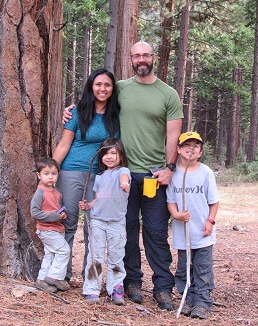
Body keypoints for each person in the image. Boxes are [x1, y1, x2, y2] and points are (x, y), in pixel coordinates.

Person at [63, 41, 183, 310]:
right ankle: (131, 283)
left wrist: (170, 168)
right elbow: (95, 94)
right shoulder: (121, 88)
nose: (141, 59)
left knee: (155, 232)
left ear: (153, 57)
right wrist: (70, 110)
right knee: (125, 231)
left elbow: (174, 134)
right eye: (136, 55)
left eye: (145, 55)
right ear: (130, 59)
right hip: (120, 176)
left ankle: (163, 287)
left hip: (154, 175)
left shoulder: (168, 94)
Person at [53, 68, 120, 282]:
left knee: (94, 227)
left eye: (107, 85)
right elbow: (64, 144)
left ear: (112, 89)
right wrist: (52, 172)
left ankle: (90, 279)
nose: (102, 89)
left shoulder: (117, 114)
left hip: (101, 176)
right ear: (91, 86)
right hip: (72, 171)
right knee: (68, 223)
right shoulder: (77, 112)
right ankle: (61, 274)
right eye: (98, 84)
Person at [167, 131, 219, 319]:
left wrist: (210, 221)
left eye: (195, 146)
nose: (191, 149)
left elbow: (214, 201)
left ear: (200, 152)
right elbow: (170, 200)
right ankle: (187, 299)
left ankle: (202, 302)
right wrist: (175, 214)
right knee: (184, 268)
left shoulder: (205, 173)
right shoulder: (173, 174)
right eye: (186, 145)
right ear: (178, 149)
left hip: (202, 232)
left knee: (203, 268)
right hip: (183, 233)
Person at [79, 138, 131, 305]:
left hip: (116, 222)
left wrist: (124, 184)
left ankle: (115, 288)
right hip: (98, 222)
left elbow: (125, 179)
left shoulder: (123, 172)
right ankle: (92, 288)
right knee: (95, 256)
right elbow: (98, 199)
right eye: (105, 153)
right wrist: (88, 206)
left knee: (116, 256)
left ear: (121, 155)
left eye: (113, 153)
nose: (109, 157)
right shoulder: (100, 177)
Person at [30, 157, 71, 293]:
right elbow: (35, 213)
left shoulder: (56, 192)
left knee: (50, 254)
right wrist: (54, 216)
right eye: (46, 174)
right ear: (39, 175)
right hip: (47, 230)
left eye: (53, 174)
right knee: (63, 250)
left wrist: (63, 213)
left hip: (57, 228)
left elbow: (57, 208)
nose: (50, 177)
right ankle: (55, 277)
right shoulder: (40, 193)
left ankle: (42, 280)